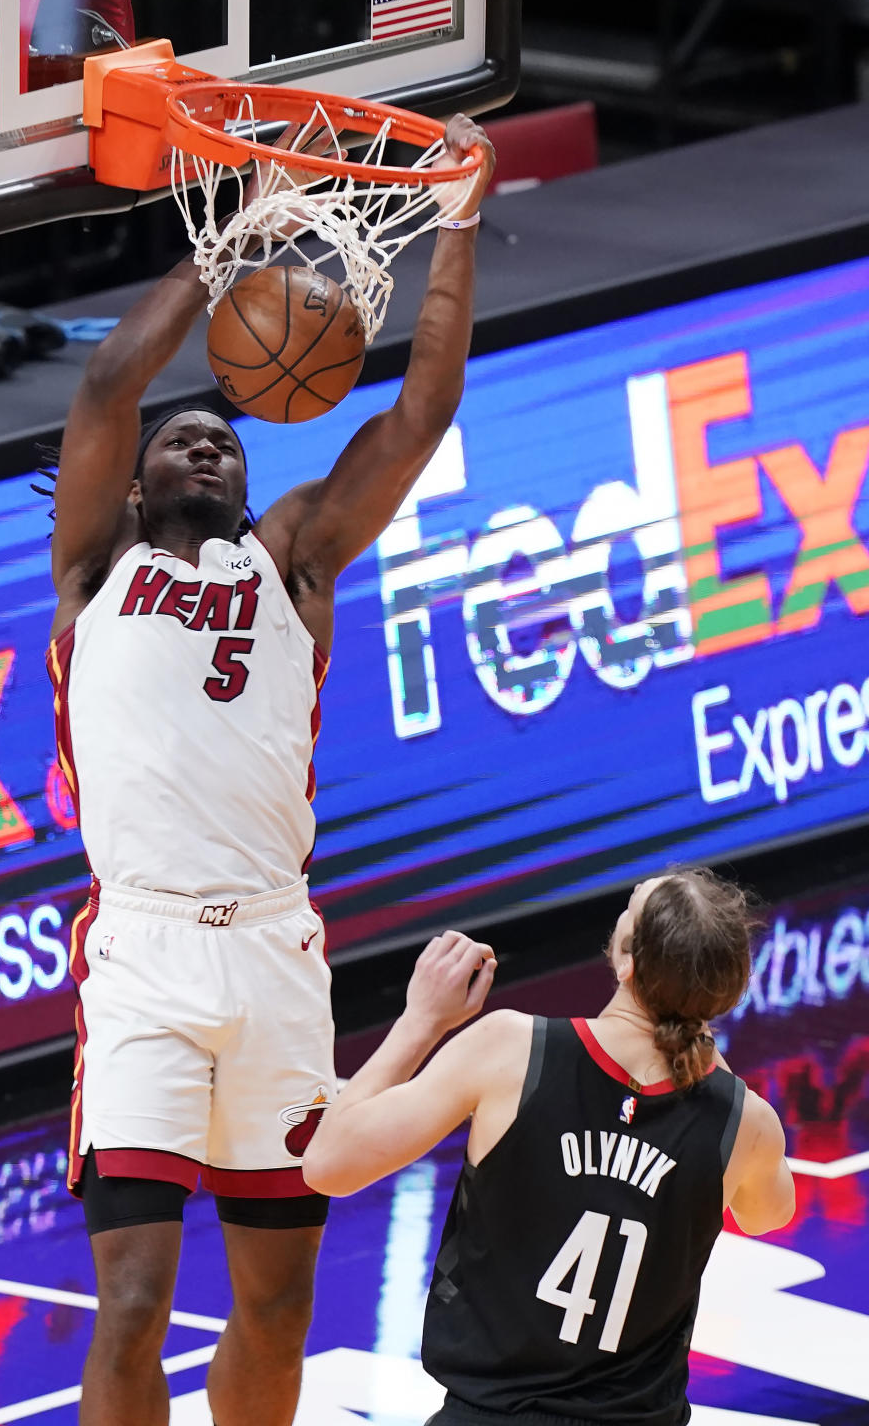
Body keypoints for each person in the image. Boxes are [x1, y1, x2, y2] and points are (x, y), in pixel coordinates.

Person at [46, 114, 495, 1426]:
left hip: (276, 963)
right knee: (132, 1304)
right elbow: (102, 391)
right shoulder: (96, 570)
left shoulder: (292, 559)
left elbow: (424, 407)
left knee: (280, 1302)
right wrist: (229, 241)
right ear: (133, 487)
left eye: (225, 440)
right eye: (183, 439)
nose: (208, 443)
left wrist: (459, 218)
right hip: (142, 965)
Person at [303, 869, 796, 1426]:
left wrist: (421, 1020)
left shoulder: (513, 1049)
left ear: (626, 959)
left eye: (630, 908)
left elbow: (328, 1165)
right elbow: (767, 1215)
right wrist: (711, 1059)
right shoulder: (745, 1122)